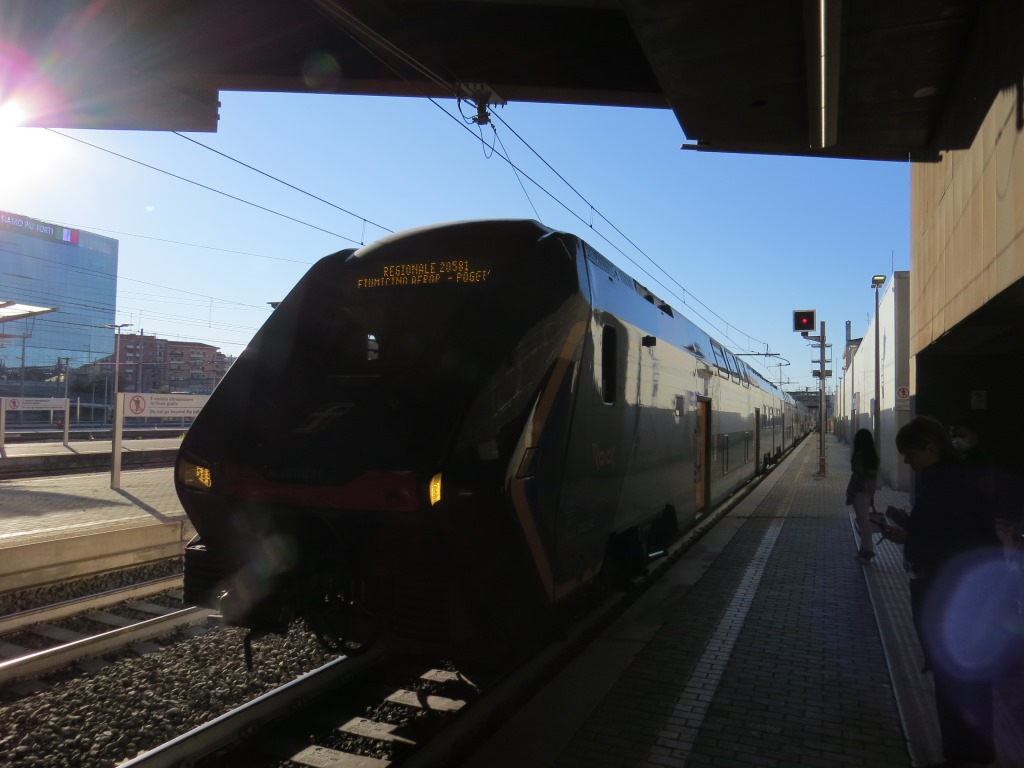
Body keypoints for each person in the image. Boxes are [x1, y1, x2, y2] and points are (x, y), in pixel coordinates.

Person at [890, 415, 1002, 768]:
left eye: (911, 454)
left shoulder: (945, 485)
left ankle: (966, 755)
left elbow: (953, 541)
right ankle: (970, 752)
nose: (908, 462)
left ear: (930, 448)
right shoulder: (954, 479)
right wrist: (910, 531)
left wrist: (912, 539)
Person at [846, 428, 880, 564]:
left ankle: (867, 552)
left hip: (859, 490)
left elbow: (859, 474)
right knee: (864, 520)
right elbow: (873, 476)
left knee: (863, 521)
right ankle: (864, 550)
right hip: (868, 491)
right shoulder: (873, 456)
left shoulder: (859, 455)